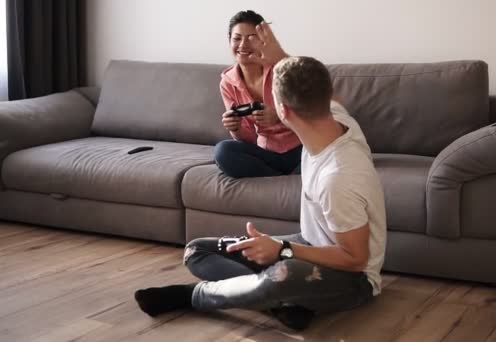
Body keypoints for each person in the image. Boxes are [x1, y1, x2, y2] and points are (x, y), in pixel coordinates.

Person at [134, 53, 386, 330]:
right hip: (312, 244)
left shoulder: (338, 177)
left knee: (282, 274)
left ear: (283, 110)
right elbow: (303, 76)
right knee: (197, 251)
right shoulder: (336, 116)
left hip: (353, 279)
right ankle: (282, 304)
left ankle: (194, 295)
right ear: (327, 95)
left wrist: (283, 249)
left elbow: (355, 259)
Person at [214, 10, 302, 178]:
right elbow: (248, 139)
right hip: (266, 153)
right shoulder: (227, 82)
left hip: (300, 149)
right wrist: (236, 128)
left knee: (328, 151)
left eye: (251, 37)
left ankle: (283, 177)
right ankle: (283, 179)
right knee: (223, 151)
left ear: (263, 40)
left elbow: (312, 116)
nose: (243, 45)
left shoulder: (282, 69)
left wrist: (279, 116)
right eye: (237, 38)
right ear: (229, 40)